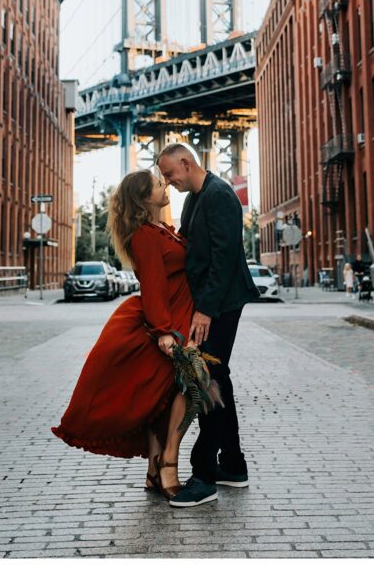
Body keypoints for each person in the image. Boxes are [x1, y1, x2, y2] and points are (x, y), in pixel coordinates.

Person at [52, 170, 196, 500]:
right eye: (160, 184)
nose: (166, 186)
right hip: (164, 321)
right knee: (184, 387)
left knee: (161, 395)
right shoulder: (145, 235)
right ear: (145, 198)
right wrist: (163, 332)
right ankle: (165, 464)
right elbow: (154, 285)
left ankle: (153, 470)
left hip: (176, 316)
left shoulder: (161, 229)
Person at [157, 143, 260, 508]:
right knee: (218, 377)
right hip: (210, 303)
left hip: (221, 303)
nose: (168, 183)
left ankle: (204, 476)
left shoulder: (219, 196)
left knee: (206, 379)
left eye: (170, 174)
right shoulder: (195, 198)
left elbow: (225, 258)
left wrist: (205, 311)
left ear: (186, 163)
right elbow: (188, 245)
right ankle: (232, 465)